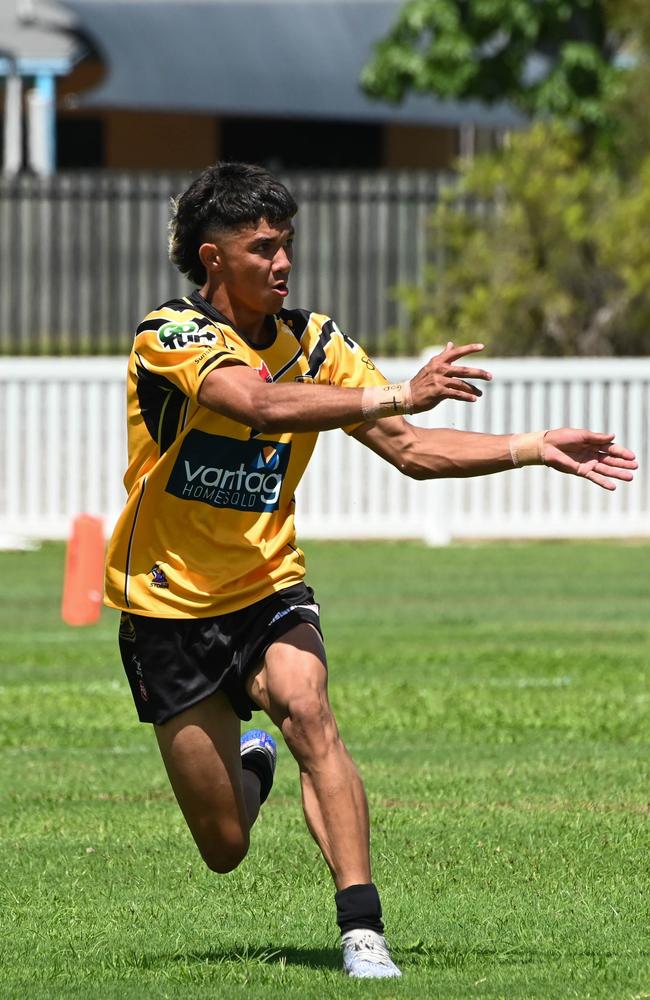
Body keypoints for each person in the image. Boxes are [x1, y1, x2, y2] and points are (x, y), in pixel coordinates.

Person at [104, 161, 637, 980]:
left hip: (267, 586)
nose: (283, 263)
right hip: (166, 606)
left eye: (287, 246)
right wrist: (394, 395)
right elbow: (260, 405)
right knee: (224, 846)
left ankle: (363, 931)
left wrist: (531, 449)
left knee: (309, 708)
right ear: (214, 260)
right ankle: (252, 765)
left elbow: (414, 450)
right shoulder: (171, 335)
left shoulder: (317, 341)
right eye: (263, 249)